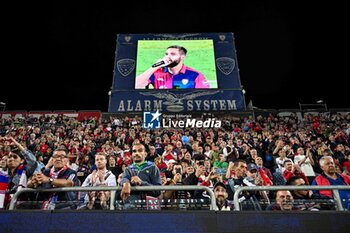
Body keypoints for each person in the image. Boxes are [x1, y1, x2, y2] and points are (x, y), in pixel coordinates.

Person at [135, 45, 210, 89]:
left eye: (172, 54)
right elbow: (135, 85)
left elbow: (206, 96)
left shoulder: (195, 75)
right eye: (166, 54)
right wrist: (154, 67)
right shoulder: (156, 72)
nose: (168, 57)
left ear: (182, 57)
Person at [119, 143, 162, 207]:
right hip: (131, 207)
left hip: (148, 208)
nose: (136, 153)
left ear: (145, 154)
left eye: (140, 151)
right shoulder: (128, 169)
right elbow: (124, 178)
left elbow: (157, 191)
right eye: (134, 151)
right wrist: (126, 183)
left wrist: (141, 183)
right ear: (131, 154)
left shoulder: (153, 168)